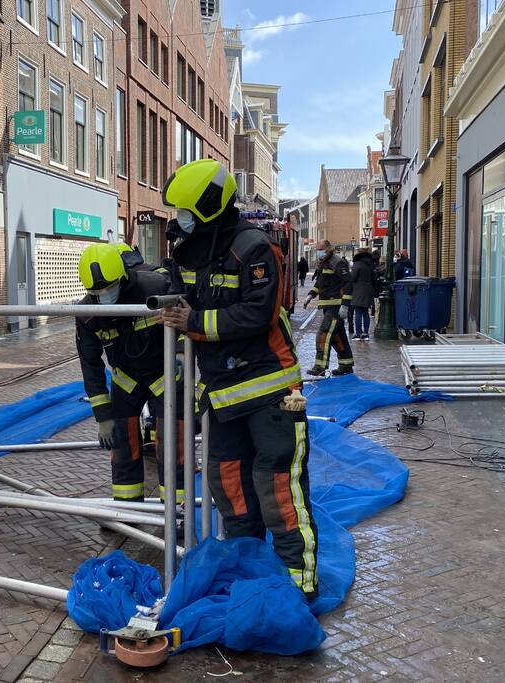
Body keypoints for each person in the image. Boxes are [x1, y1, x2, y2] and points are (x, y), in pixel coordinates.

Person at [158, 159, 317, 600]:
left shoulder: (255, 249)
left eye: (185, 211)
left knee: (277, 486)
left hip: (272, 393)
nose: (179, 220)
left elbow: (256, 313)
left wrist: (194, 320)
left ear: (208, 206)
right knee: (228, 485)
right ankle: (249, 571)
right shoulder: (187, 249)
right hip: (222, 395)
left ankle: (297, 587)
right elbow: (179, 293)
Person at [76, 243, 185, 504]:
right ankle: (127, 505)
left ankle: (176, 508)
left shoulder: (156, 287)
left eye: (108, 289)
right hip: (125, 379)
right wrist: (103, 417)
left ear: (123, 278)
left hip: (165, 374)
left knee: (171, 444)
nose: (103, 297)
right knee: (121, 443)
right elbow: (90, 365)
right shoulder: (87, 313)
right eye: (95, 293)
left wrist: (180, 353)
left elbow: (183, 317)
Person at [304, 240, 354, 377]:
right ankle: (346, 365)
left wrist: (345, 305)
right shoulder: (324, 263)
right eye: (317, 250)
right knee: (338, 336)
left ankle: (320, 367)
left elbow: (348, 283)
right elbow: (320, 283)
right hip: (328, 306)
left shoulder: (337, 262)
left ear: (328, 248)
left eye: (320, 249)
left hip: (336, 306)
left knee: (324, 334)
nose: (318, 252)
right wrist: (311, 295)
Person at [349, 248, 376, 340]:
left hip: (358, 291)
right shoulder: (370, 265)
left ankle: (358, 333)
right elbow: (374, 279)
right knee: (365, 312)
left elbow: (353, 278)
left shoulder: (357, 264)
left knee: (358, 312)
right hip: (368, 291)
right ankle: (366, 333)